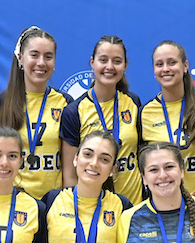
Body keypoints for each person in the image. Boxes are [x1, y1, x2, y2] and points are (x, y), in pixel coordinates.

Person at [59, 36, 144, 204]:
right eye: (103, 60)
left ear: (125, 65)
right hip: (94, 211)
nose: (109, 67)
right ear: (92, 62)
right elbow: (69, 175)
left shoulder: (133, 102)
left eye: (117, 61)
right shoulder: (74, 111)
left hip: (133, 207)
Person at [0, 26, 71, 200]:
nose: (41, 63)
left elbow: (70, 166)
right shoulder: (1, 102)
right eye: (34, 55)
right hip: (13, 202)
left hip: (53, 203)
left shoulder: (65, 102)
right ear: (20, 58)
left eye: (48, 56)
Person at [139, 40, 195, 202]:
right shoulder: (144, 113)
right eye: (159, 64)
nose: (166, 69)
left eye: (172, 62)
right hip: (164, 207)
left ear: (185, 66)